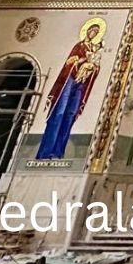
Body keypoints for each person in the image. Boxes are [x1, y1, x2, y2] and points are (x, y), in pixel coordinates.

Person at [37, 20, 104, 160]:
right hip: (70, 80)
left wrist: (93, 67)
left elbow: (96, 68)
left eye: (96, 32)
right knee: (60, 112)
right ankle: (46, 152)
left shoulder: (95, 49)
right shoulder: (79, 46)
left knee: (71, 114)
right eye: (92, 31)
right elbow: (69, 63)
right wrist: (84, 60)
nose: (94, 34)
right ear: (87, 31)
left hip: (82, 83)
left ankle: (58, 152)